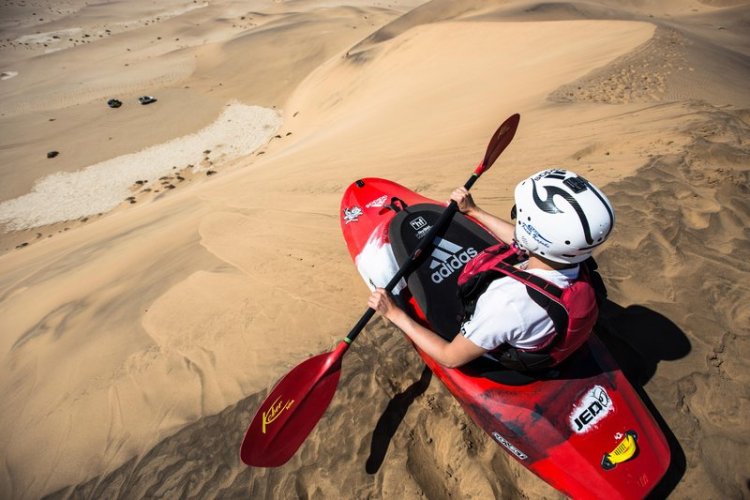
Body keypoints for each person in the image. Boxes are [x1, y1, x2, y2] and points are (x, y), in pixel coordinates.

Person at [368, 169, 615, 370]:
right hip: (551, 327)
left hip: (515, 353)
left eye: (519, 215)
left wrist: (394, 313)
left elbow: (450, 357)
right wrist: (474, 211)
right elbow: (526, 242)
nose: (517, 220)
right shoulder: (574, 259)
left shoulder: (507, 303)